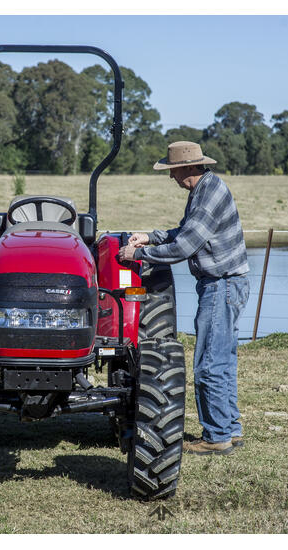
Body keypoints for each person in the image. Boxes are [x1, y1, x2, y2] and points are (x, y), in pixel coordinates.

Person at [118, 141, 250, 456]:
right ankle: (229, 429)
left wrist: (138, 253)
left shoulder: (207, 194)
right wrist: (150, 236)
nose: (172, 177)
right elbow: (182, 231)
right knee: (223, 360)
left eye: (174, 170)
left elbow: (183, 247)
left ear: (188, 167)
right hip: (226, 283)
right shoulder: (205, 189)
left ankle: (216, 437)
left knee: (208, 364)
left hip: (221, 284)